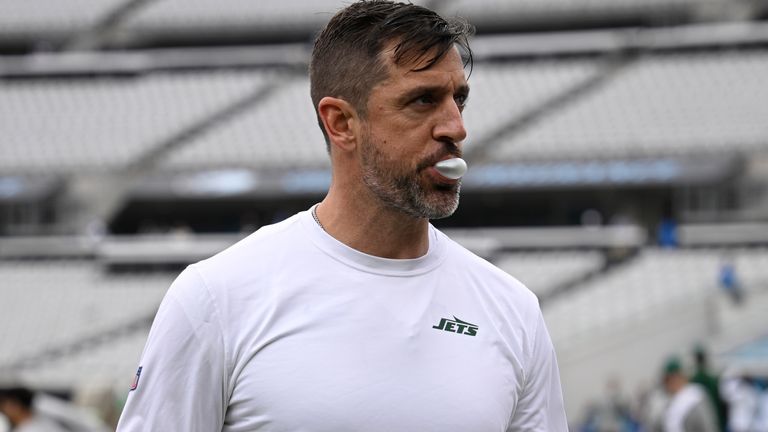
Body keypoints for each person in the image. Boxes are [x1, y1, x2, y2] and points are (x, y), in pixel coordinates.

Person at [117, 1, 568, 430]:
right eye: (423, 100)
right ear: (341, 123)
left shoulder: (513, 310)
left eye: (459, 99)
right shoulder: (216, 299)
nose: (456, 127)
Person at [661, 357, 718, 432]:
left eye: (671, 380)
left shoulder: (695, 396)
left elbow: (708, 427)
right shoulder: (671, 403)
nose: (669, 385)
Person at [0, 387, 68, 432]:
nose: (12, 407)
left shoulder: (42, 411)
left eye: (12, 403)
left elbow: (71, 414)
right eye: (6, 407)